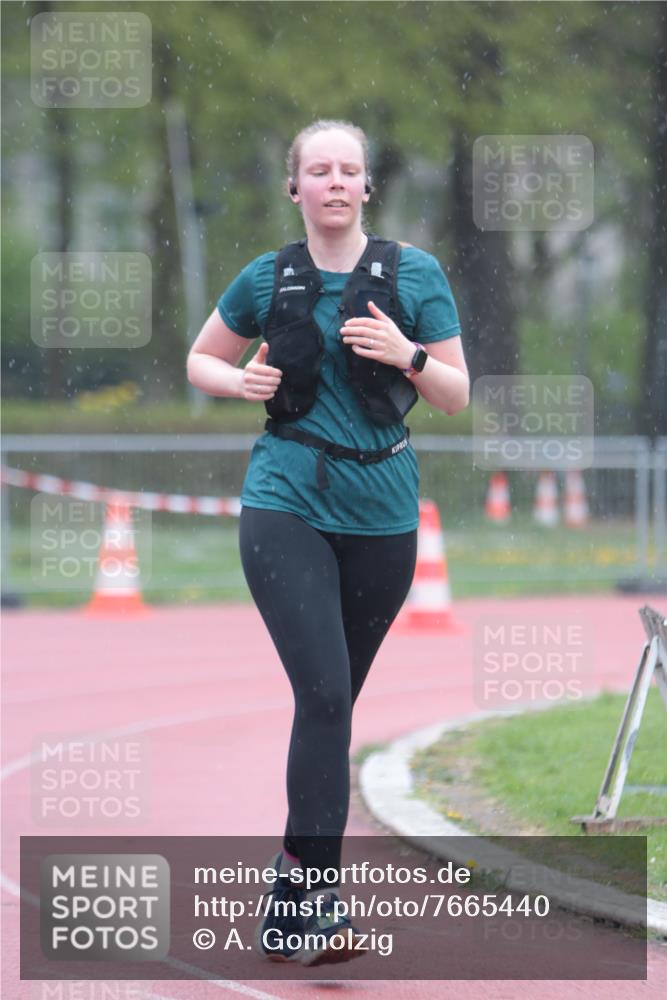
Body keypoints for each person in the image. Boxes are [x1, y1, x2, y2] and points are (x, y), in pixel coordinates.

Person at [187, 119, 469, 966]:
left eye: (349, 170)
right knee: (322, 693)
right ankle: (318, 902)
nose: (335, 182)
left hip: (383, 513)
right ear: (296, 188)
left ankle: (285, 889)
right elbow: (201, 358)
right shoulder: (266, 276)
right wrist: (240, 381)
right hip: (286, 502)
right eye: (319, 170)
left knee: (335, 703)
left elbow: (455, 393)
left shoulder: (413, 273)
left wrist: (408, 352)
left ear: (366, 187)